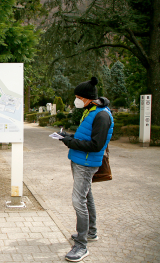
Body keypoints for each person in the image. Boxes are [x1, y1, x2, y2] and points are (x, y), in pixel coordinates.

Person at [58, 77, 114, 262]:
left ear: (87, 98)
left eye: (78, 97)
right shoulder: (92, 110)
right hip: (80, 160)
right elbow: (85, 135)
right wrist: (68, 136)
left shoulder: (102, 115)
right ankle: (91, 232)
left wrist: (70, 142)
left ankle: (81, 246)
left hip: (87, 163)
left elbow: (96, 144)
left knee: (78, 200)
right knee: (86, 195)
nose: (76, 100)